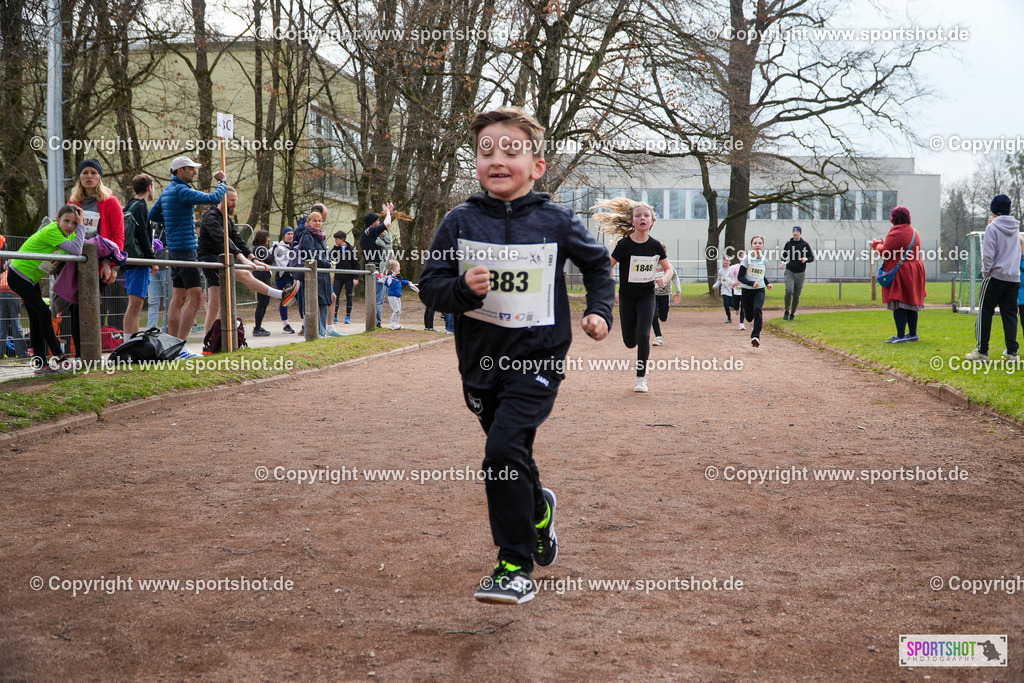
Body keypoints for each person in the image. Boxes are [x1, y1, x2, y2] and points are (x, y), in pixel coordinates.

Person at [419, 107, 614, 605]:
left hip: (537, 362)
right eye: (486, 151)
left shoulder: (557, 220)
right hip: (480, 365)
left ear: (537, 166)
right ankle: (538, 509)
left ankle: (513, 564)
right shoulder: (459, 221)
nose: (497, 159)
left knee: (502, 452)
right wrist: (461, 290)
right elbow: (430, 286)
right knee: (512, 453)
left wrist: (599, 312)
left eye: (511, 150)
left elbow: (598, 267)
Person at [148, 156, 228, 355]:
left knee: (178, 297)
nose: (194, 172)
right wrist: (223, 182)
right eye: (191, 169)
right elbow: (213, 199)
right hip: (186, 250)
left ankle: (172, 346)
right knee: (195, 297)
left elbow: (153, 215)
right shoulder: (182, 190)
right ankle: (180, 346)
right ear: (180, 171)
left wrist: (172, 218)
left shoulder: (168, 190)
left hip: (174, 251)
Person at [197, 187, 297, 336]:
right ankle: (281, 294)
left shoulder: (227, 219)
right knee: (244, 274)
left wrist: (253, 259)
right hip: (211, 260)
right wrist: (243, 259)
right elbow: (222, 239)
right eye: (232, 200)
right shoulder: (210, 217)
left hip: (221, 258)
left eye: (236, 200)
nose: (235, 203)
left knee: (214, 305)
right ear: (222, 199)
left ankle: (208, 339)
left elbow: (238, 240)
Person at [599, 198, 674, 392]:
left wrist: (664, 279)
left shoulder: (656, 246)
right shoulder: (624, 245)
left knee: (643, 335)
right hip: (627, 297)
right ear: (632, 221)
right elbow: (608, 265)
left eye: (646, 216)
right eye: (638, 215)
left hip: (647, 295)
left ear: (652, 222)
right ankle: (635, 349)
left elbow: (669, 269)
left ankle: (641, 378)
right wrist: (612, 288)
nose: (642, 218)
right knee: (630, 342)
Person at [8, 205, 84, 374]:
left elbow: (79, 245)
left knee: (36, 319)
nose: (70, 226)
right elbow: (77, 250)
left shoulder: (70, 235)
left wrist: (80, 229)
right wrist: (81, 226)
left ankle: (40, 364)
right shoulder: (52, 231)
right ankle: (60, 358)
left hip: (31, 279)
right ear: (58, 220)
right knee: (43, 313)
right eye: (66, 221)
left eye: (74, 223)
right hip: (18, 276)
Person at [68, 159, 124, 348]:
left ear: (100, 177)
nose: (89, 176)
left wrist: (113, 264)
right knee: (74, 308)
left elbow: (118, 236)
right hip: (76, 262)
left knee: (90, 306)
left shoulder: (111, 202)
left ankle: (92, 353)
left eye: (93, 172)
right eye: (85, 173)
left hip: (100, 264)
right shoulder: (73, 203)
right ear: (79, 177)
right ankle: (80, 354)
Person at [965, 194, 1020, 360]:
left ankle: (982, 350)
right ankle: (1012, 352)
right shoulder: (1015, 228)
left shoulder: (992, 228)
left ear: (993, 209)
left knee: (985, 312)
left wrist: (986, 273)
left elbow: (988, 254)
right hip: (1013, 277)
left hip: (995, 276)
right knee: (1010, 314)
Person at [869, 206, 926, 344]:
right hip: (915, 269)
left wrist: (876, 244)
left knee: (899, 303)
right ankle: (912, 334)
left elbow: (885, 252)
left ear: (894, 218)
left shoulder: (897, 232)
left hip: (902, 271)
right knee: (911, 302)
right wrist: (883, 244)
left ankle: (900, 336)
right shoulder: (914, 231)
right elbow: (897, 247)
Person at [122, 174, 159, 335]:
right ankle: (130, 343)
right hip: (140, 261)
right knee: (135, 305)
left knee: (134, 304)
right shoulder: (141, 207)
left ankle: (132, 340)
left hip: (130, 259)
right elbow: (143, 235)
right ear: (149, 188)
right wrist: (152, 260)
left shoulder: (130, 205)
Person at [296, 210, 332, 336]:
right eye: (315, 221)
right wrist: (326, 263)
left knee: (324, 303)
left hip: (323, 275)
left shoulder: (321, 236)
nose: (317, 223)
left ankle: (322, 332)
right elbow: (311, 255)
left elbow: (325, 253)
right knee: (313, 303)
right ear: (309, 222)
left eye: (320, 221)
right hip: (313, 276)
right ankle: (313, 333)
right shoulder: (307, 235)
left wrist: (330, 261)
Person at [359, 204, 394, 327]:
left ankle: (375, 321)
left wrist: (388, 213)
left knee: (379, 298)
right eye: (377, 220)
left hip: (377, 269)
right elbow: (387, 224)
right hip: (376, 269)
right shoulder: (369, 232)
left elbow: (385, 225)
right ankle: (376, 322)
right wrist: (388, 213)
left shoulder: (369, 233)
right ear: (372, 223)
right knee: (378, 298)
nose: (379, 222)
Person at [737, 235, 773, 348]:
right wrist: (751, 283)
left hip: (759, 290)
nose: (757, 245)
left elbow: (761, 275)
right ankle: (749, 316)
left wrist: (767, 283)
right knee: (749, 317)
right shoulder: (746, 259)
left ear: (763, 246)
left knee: (757, 309)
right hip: (747, 291)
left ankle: (756, 336)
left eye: (760, 243)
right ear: (751, 245)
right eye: (755, 243)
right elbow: (740, 276)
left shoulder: (764, 260)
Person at [780, 225, 814, 320]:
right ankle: (787, 310)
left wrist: (805, 259)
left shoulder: (805, 244)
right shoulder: (788, 244)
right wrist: (782, 263)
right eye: (794, 231)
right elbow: (784, 256)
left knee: (796, 295)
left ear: (800, 233)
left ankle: (792, 313)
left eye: (797, 231)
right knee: (789, 290)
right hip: (789, 271)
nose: (795, 233)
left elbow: (812, 258)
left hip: (800, 273)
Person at [650, 241, 681, 345]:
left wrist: (678, 291)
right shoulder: (652, 265)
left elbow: (675, 277)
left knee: (663, 318)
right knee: (653, 315)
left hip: (665, 294)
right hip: (653, 294)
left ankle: (663, 312)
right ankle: (658, 337)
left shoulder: (668, 265)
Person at [147, 221, 172, 332]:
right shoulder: (153, 226)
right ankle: (151, 330)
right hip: (153, 268)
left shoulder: (169, 225)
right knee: (153, 300)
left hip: (166, 267)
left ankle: (165, 330)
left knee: (168, 301)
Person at [331, 230, 359, 325]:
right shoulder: (337, 249)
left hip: (349, 277)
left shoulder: (352, 249)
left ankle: (348, 316)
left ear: (342, 239)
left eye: (337, 239)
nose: (335, 240)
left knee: (349, 295)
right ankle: (334, 315)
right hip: (338, 276)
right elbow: (331, 256)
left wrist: (356, 277)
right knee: (335, 295)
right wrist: (335, 247)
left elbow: (356, 264)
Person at [272, 227, 297, 333]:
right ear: (284, 235)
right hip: (282, 277)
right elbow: (269, 256)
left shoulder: (294, 247)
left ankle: (304, 323)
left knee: (299, 297)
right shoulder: (279, 247)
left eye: (292, 234)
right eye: (288, 234)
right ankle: (285, 324)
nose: (290, 236)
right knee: (285, 299)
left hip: (293, 276)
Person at [251, 230, 273, 336]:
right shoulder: (259, 249)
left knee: (265, 302)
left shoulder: (261, 249)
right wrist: (275, 249)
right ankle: (257, 328)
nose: (269, 239)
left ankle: (258, 326)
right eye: (267, 237)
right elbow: (269, 260)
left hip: (264, 276)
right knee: (262, 302)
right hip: (261, 276)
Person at [383, 259, 414, 329]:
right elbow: (387, 283)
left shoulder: (398, 277)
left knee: (399, 311)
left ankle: (396, 323)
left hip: (398, 296)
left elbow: (401, 282)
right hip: (392, 296)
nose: (400, 268)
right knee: (396, 310)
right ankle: (392, 324)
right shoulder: (390, 276)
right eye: (398, 267)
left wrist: (408, 282)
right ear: (394, 268)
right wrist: (392, 276)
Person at [711, 256, 739, 323]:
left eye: (727, 260)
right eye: (724, 260)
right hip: (724, 289)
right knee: (726, 304)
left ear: (730, 262)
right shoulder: (720, 271)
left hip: (732, 289)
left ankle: (738, 308)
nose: (726, 262)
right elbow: (719, 280)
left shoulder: (732, 269)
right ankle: (729, 318)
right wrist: (715, 285)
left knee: (732, 304)